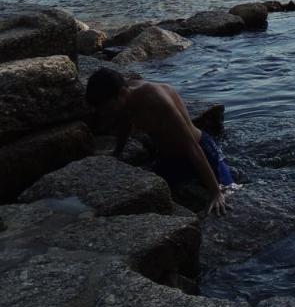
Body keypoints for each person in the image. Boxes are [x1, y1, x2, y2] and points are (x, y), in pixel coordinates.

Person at [85, 68, 231, 216]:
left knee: (230, 190)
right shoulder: (124, 97)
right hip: (169, 158)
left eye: (108, 108)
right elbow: (125, 122)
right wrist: (117, 153)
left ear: (122, 93)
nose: (105, 113)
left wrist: (215, 192)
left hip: (200, 149)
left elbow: (191, 145)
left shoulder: (155, 98)